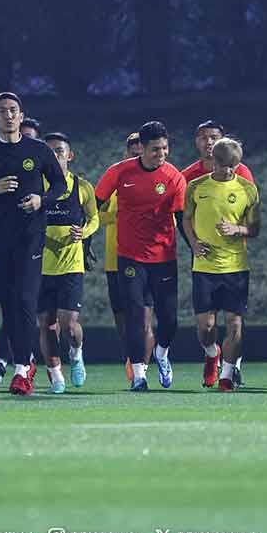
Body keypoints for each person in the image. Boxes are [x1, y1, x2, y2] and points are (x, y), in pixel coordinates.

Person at [0, 92, 66, 395]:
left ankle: (22, 370)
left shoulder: (38, 149)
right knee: (8, 302)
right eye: (2, 111)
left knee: (25, 299)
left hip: (31, 235)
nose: (8, 115)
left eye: (13, 110)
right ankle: (25, 360)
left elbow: (58, 184)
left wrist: (40, 200)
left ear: (21, 116)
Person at [95, 120, 186, 391]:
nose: (161, 154)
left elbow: (181, 219)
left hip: (164, 257)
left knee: (169, 319)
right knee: (135, 315)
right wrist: (83, 231)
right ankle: (139, 375)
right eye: (156, 149)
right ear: (142, 149)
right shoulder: (119, 173)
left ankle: (162, 353)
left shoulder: (174, 177)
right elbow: (94, 203)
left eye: (165, 148)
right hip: (130, 257)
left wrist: (194, 246)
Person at [183, 138, 260, 391]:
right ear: (213, 161)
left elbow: (255, 228)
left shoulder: (248, 190)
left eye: (234, 166)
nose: (229, 170)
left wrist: (236, 228)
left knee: (234, 324)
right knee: (206, 328)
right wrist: (193, 244)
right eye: (224, 165)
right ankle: (211, 352)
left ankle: (226, 376)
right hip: (204, 268)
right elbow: (186, 220)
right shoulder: (195, 187)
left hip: (236, 267)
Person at [37, 133, 99, 393]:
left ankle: (76, 353)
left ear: (69, 155)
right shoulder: (36, 187)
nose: (55, 156)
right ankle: (56, 375)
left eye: (59, 151)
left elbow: (94, 218)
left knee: (69, 326)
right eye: (49, 152)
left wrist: (83, 232)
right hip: (39, 267)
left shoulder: (81, 187)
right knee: (46, 325)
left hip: (71, 266)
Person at [100, 132, 155, 383]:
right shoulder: (116, 183)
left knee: (144, 317)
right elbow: (96, 216)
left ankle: (143, 366)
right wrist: (121, 214)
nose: (135, 155)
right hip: (116, 259)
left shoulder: (155, 182)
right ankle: (131, 357)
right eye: (131, 151)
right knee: (122, 318)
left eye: (139, 151)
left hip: (146, 259)